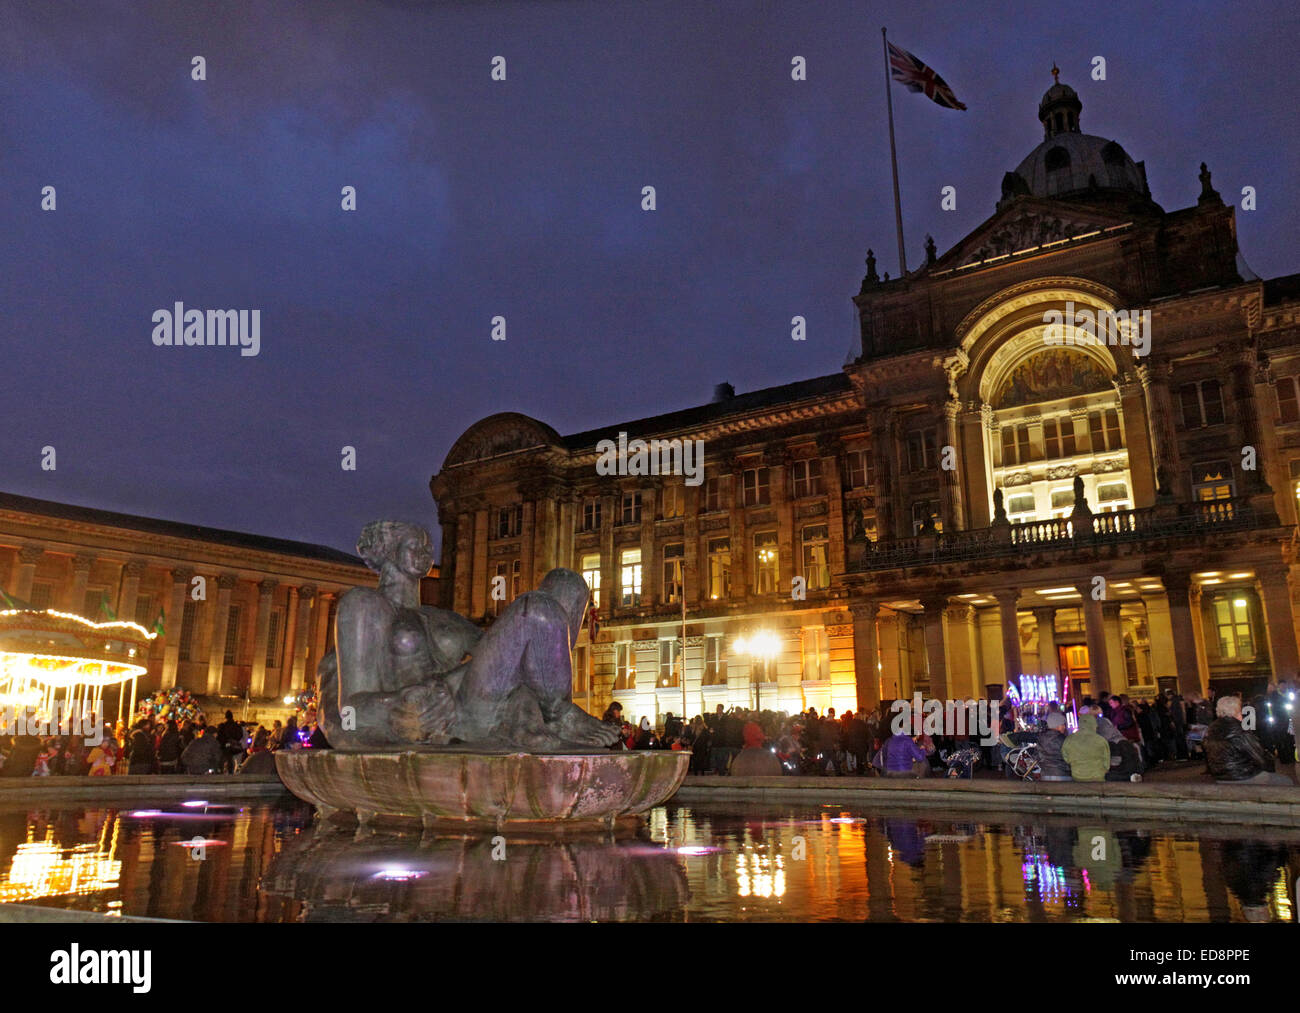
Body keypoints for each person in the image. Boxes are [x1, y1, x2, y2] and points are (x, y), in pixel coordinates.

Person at [1205, 694, 1292, 785]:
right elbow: (1257, 755)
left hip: (1220, 776)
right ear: (1237, 711)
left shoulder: (1211, 730)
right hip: (1242, 775)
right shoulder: (1239, 729)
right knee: (1286, 781)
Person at [1061, 710, 1111, 782]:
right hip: (1097, 778)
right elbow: (1106, 764)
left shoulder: (1069, 739)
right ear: (1094, 725)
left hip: (1077, 777)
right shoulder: (1101, 740)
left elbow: (1066, 758)